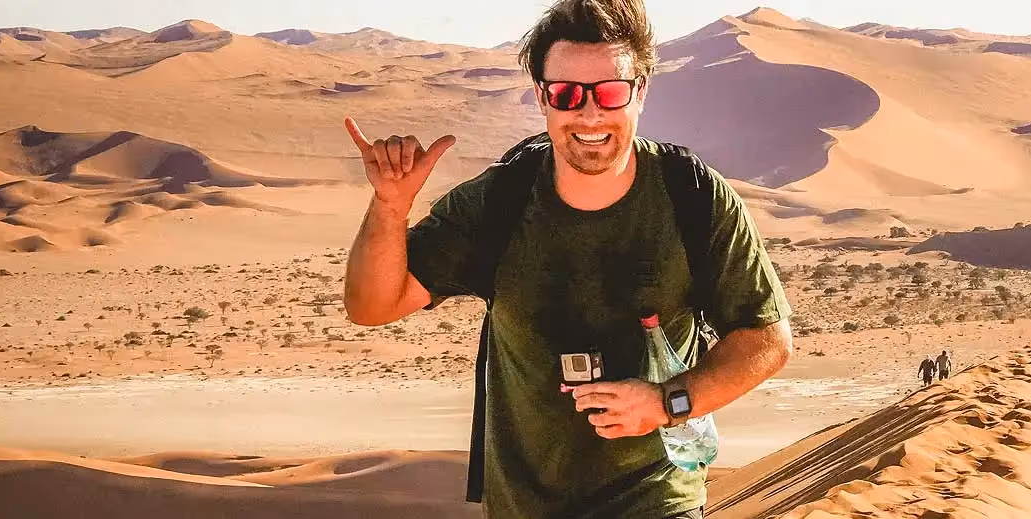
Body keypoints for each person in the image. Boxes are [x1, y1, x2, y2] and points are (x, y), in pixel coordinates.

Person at [340, 0, 793, 517]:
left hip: (655, 499)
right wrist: (390, 207)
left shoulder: (692, 196)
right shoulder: (497, 202)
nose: (590, 113)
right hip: (525, 504)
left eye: (610, 92)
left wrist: (666, 403)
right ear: (542, 97)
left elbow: (766, 338)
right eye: (567, 93)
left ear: (640, 91)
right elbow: (372, 306)